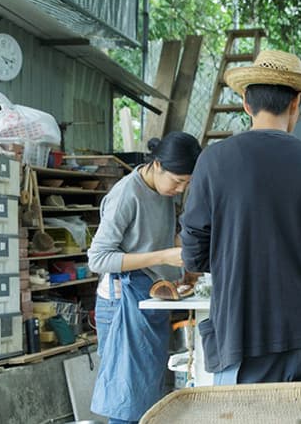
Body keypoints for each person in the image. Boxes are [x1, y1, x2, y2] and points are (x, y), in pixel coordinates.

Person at [180, 49, 301, 391]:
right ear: (296, 103)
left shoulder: (214, 161)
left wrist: (230, 254)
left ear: (246, 104)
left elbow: (193, 254)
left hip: (243, 332)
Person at [89, 132, 201, 424]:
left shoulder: (164, 192)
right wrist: (163, 256)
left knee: (147, 399)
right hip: (121, 304)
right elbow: (98, 258)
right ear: (157, 165)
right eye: (177, 181)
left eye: (187, 183)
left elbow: (163, 234)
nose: (180, 188)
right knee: (126, 403)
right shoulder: (126, 195)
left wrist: (187, 258)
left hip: (149, 297)